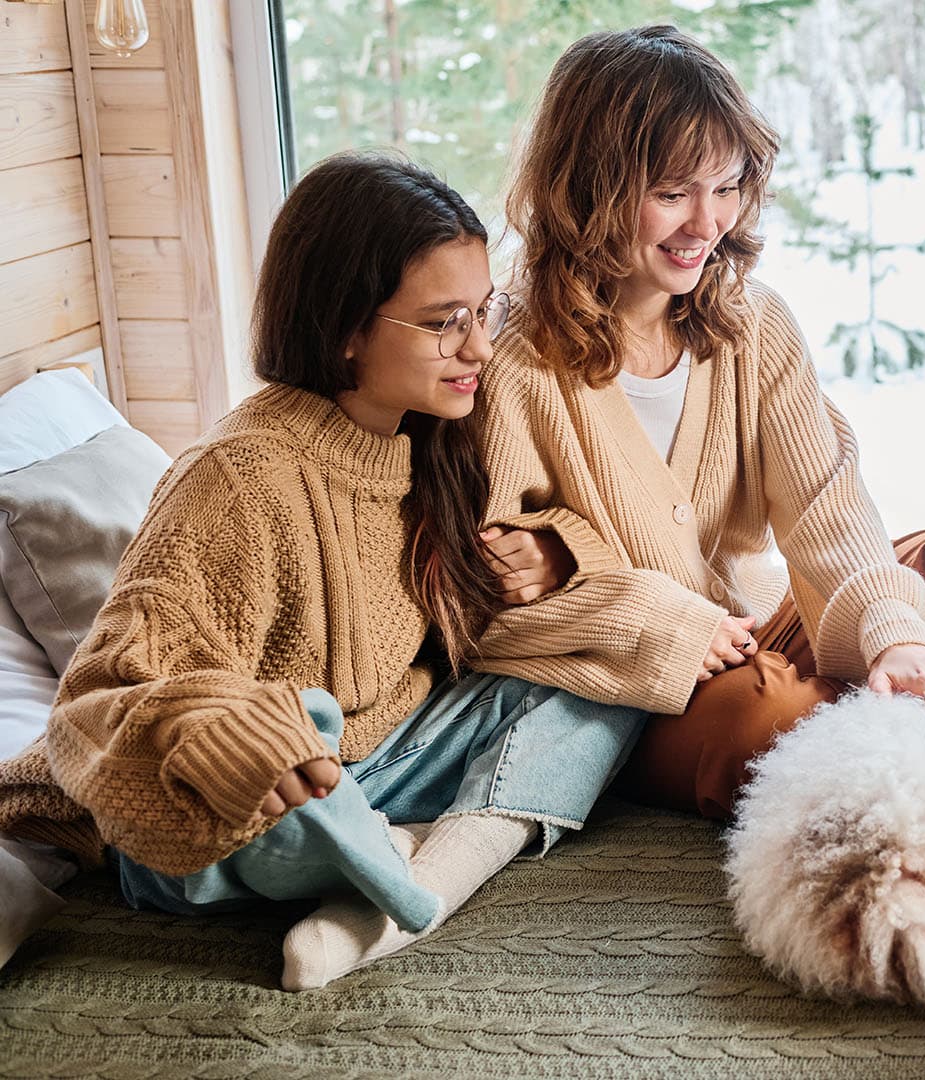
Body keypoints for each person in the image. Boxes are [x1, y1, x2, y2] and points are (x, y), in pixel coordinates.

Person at [0, 151, 645, 991]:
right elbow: (99, 693)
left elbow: (545, 568)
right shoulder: (237, 476)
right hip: (233, 819)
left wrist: (562, 553)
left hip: (377, 769)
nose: (480, 346)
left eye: (484, 311)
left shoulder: (432, 439)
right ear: (346, 326)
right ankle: (377, 856)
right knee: (299, 724)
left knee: (606, 677)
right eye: (445, 320)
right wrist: (243, 741)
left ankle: (414, 883)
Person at [464, 25, 925, 819]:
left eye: (725, 187)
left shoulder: (754, 323)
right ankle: (885, 723)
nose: (705, 224)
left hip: (766, 625)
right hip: (637, 688)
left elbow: (826, 509)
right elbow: (474, 611)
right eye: (672, 193)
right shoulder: (511, 363)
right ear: (590, 187)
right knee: (771, 714)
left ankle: (880, 697)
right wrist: (652, 613)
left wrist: (897, 639)